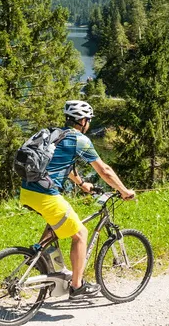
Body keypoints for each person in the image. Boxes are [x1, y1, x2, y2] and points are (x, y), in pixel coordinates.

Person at [20, 100, 136, 297]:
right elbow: (104, 170)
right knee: (81, 233)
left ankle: (40, 264)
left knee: (53, 227)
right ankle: (77, 285)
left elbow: (63, 164)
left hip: (27, 190)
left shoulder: (55, 134)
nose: (88, 123)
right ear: (82, 120)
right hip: (46, 195)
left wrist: (82, 184)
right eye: (88, 120)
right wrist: (124, 190)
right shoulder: (79, 139)